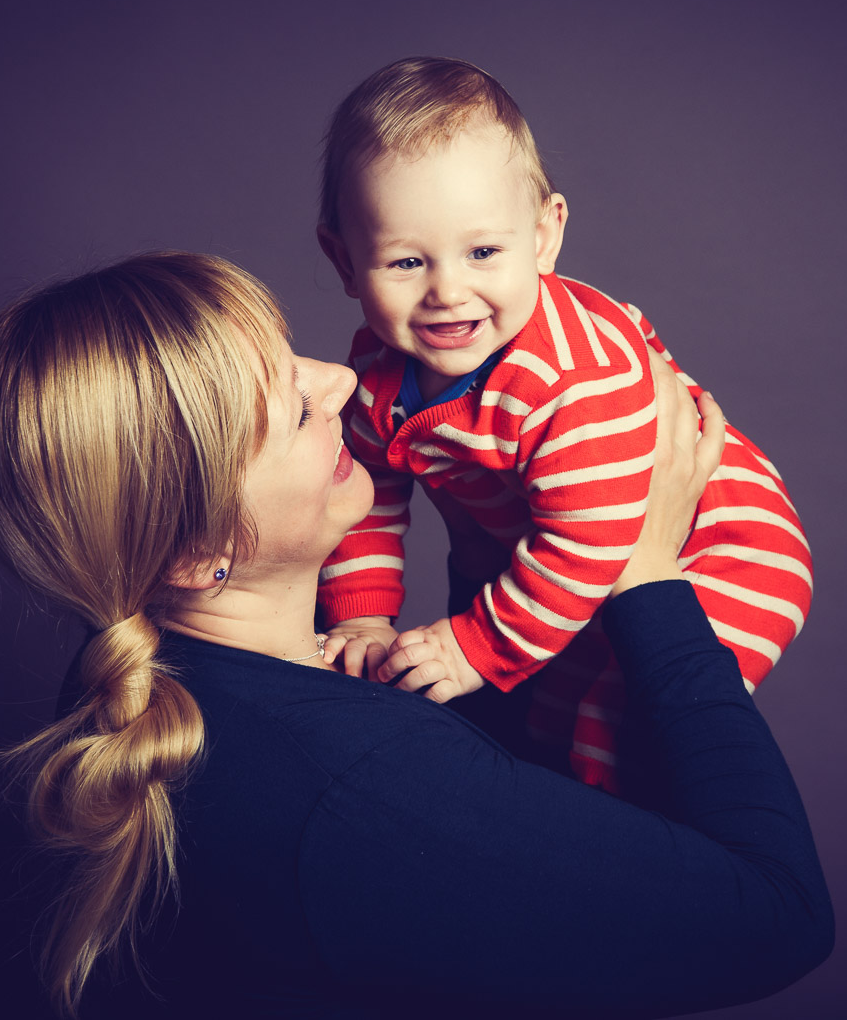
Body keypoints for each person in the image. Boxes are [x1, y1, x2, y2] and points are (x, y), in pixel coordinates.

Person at [0, 251, 832, 1017]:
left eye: (297, 358)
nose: (338, 380)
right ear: (199, 549)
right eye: (293, 409)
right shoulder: (360, 784)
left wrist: (509, 527)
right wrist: (643, 568)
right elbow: (779, 913)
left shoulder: (132, 686)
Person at [315, 57, 814, 790]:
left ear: (545, 236)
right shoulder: (374, 373)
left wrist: (473, 648)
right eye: (406, 261)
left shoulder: (569, 377)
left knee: (617, 734)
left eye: (484, 251)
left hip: (718, 547)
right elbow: (366, 494)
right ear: (344, 260)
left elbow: (590, 539)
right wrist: (363, 617)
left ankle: (646, 880)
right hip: (550, 558)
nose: (449, 292)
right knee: (540, 734)